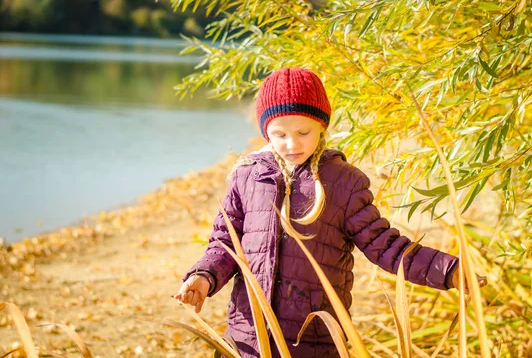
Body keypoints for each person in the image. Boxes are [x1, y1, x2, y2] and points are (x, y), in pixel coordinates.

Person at [174, 67, 480, 357]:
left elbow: (384, 246)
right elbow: (225, 243)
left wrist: (449, 270)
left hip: (313, 340)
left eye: (303, 132)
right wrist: (204, 277)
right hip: (246, 336)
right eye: (279, 134)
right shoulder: (248, 176)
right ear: (266, 131)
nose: (292, 143)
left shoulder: (344, 182)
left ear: (322, 127)